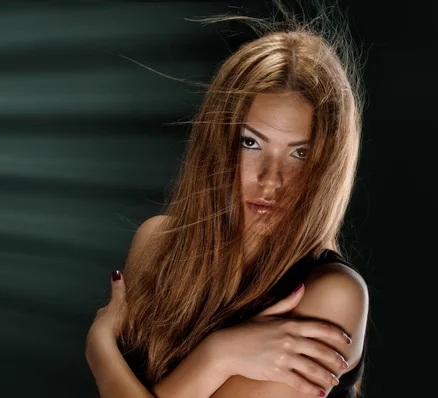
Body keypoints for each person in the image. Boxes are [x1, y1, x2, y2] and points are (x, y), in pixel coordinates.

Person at [85, 2, 369, 397]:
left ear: (327, 168)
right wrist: (221, 356)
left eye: (299, 153)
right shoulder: (156, 245)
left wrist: (101, 350)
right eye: (250, 143)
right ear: (217, 145)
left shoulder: (331, 296)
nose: (272, 180)